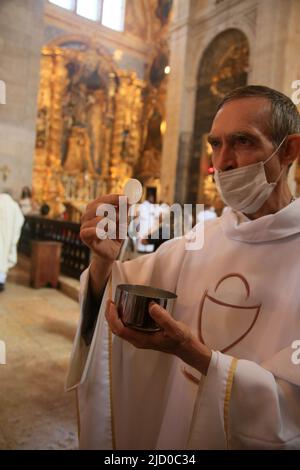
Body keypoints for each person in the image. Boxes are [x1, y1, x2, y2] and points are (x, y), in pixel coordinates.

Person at [67, 85, 300, 450]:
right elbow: (115, 292)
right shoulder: (202, 238)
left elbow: (292, 411)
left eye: (242, 141)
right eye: (215, 144)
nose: (222, 162)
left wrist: (199, 356)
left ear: (289, 150)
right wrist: (102, 260)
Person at [0, 192, 25, 292]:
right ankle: (1, 281)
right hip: (7, 236)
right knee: (3, 257)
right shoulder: (13, 205)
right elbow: (20, 220)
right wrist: (14, 235)